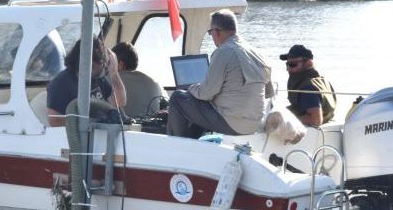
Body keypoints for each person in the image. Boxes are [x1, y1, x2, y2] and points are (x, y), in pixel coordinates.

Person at [167, 10, 272, 138]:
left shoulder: (223, 52)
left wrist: (191, 87)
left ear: (216, 31)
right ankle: (193, 143)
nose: (212, 37)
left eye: (210, 33)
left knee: (178, 98)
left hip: (233, 123)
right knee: (204, 105)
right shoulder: (257, 53)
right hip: (254, 124)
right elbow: (268, 92)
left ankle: (177, 147)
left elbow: (205, 93)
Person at [46, 37, 127, 127]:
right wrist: (89, 123)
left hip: (99, 136)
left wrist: (114, 73)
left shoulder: (98, 78)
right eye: (102, 60)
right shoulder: (61, 82)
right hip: (76, 138)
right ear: (90, 61)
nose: (105, 65)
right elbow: (54, 120)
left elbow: (120, 102)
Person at [281, 44, 337, 126]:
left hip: (313, 131)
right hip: (327, 120)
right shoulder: (320, 80)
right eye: (287, 64)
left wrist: (286, 121)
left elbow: (315, 120)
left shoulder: (307, 87)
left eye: (292, 64)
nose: (288, 69)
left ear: (309, 64)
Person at [111, 41, 165, 118]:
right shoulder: (154, 83)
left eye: (111, 62)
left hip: (123, 128)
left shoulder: (112, 81)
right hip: (148, 129)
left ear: (120, 64)